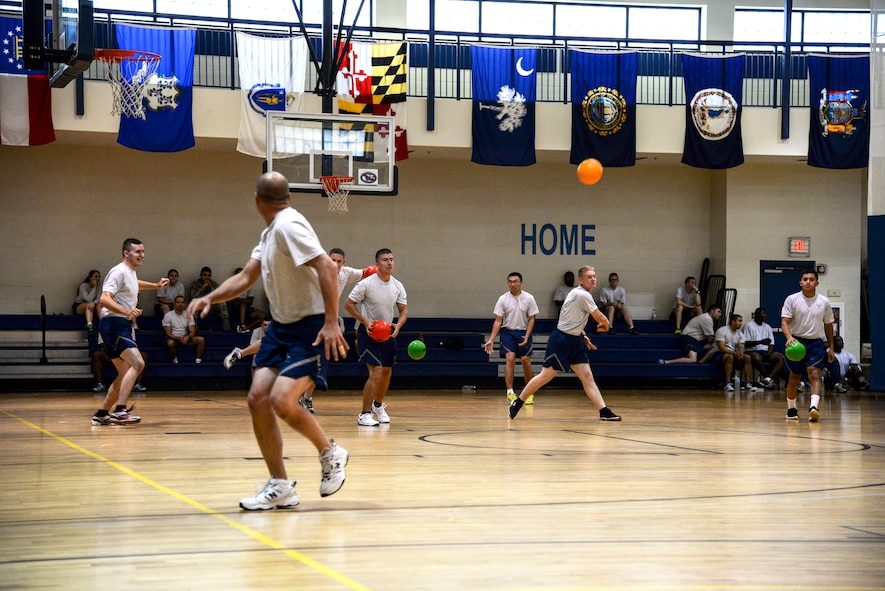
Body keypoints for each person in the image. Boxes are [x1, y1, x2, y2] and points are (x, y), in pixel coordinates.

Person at [187, 171, 348, 510]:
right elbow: (247, 277)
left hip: (309, 326)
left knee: (281, 400)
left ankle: (330, 453)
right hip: (281, 327)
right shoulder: (271, 231)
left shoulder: (289, 225)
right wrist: (209, 297)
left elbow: (327, 267)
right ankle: (280, 485)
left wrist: (332, 321)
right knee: (258, 398)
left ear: (256, 200)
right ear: (287, 196)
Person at [508, 266, 621, 422]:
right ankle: (518, 402)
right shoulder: (582, 295)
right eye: (589, 277)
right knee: (545, 376)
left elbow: (572, 319)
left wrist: (583, 335)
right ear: (580, 280)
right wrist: (607, 325)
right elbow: (600, 317)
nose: (593, 279)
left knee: (587, 377)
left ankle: (603, 411)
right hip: (561, 341)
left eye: (594, 276)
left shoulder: (578, 294)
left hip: (575, 340)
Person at [91, 238, 169, 426]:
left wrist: (156, 286)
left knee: (124, 372)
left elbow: (134, 284)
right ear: (126, 253)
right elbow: (104, 299)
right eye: (138, 251)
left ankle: (101, 414)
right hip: (114, 324)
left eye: (143, 251)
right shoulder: (118, 271)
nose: (142, 255)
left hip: (119, 324)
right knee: (138, 363)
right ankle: (120, 410)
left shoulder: (130, 273)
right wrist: (126, 311)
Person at [297, 248, 377, 415]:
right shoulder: (317, 272)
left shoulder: (346, 273)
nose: (335, 264)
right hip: (306, 318)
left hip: (325, 322)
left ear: (343, 263)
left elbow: (366, 272)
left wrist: (380, 270)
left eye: (339, 261)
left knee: (319, 360)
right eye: (332, 260)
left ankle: (306, 398)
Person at [345, 248, 408, 427]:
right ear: (377, 264)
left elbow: (404, 310)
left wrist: (398, 325)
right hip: (369, 333)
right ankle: (364, 414)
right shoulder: (366, 284)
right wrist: (365, 321)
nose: (389, 263)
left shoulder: (397, 285)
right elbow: (348, 305)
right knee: (376, 371)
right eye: (385, 260)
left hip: (388, 334)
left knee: (387, 372)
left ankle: (378, 406)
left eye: (392, 259)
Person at [781, 268, 835, 422]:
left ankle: (813, 407)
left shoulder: (824, 302)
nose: (808, 282)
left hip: (815, 343)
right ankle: (791, 409)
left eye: (811, 279)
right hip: (796, 342)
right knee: (794, 377)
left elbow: (828, 326)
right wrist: (789, 337)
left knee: (815, 374)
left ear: (817, 283)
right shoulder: (792, 299)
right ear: (800, 282)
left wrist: (831, 347)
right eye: (805, 279)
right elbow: (785, 321)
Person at [483, 272, 539, 403]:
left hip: (523, 331)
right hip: (508, 333)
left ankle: (529, 392)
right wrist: (491, 339)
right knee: (510, 359)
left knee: (526, 361)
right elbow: (498, 320)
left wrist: (527, 335)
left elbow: (532, 319)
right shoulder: (503, 299)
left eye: (515, 281)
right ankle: (510, 392)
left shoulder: (529, 298)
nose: (513, 284)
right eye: (510, 281)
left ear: (521, 283)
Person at [712, 313, 756, 392]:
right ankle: (728, 383)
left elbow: (741, 346)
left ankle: (747, 383)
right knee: (730, 357)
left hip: (733, 353)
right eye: (739, 321)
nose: (741, 323)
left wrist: (741, 353)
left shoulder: (740, 333)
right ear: (733, 322)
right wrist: (735, 354)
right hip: (718, 354)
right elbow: (721, 348)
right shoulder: (722, 330)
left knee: (747, 357)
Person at [742, 307, 784, 389]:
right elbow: (746, 343)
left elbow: (771, 343)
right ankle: (767, 378)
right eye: (763, 313)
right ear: (757, 315)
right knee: (757, 357)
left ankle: (768, 379)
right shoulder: (748, 325)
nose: (765, 315)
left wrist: (769, 352)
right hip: (752, 351)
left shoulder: (767, 327)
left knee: (780, 357)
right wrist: (760, 342)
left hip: (765, 351)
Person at [162, 295, 206, 363]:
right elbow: (168, 333)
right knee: (170, 343)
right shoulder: (168, 316)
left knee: (201, 339)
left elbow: (192, 331)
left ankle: (198, 361)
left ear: (184, 304)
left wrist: (187, 337)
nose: (180, 304)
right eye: (178, 302)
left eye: (182, 302)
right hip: (174, 339)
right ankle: (175, 361)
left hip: (186, 338)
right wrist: (177, 338)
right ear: (174, 304)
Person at [189, 266, 231, 331]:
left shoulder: (214, 284)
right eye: (204, 275)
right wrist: (203, 287)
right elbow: (193, 296)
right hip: (201, 308)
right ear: (200, 275)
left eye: (209, 275)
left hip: (212, 307)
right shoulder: (195, 284)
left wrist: (211, 287)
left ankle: (226, 324)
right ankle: (194, 326)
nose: (207, 277)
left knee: (221, 301)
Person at [226, 267, 267, 333]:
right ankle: (242, 324)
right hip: (234, 307)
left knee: (264, 317)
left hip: (246, 308)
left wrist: (237, 299)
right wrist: (242, 300)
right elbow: (228, 299)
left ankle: (246, 328)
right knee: (243, 303)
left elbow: (250, 300)